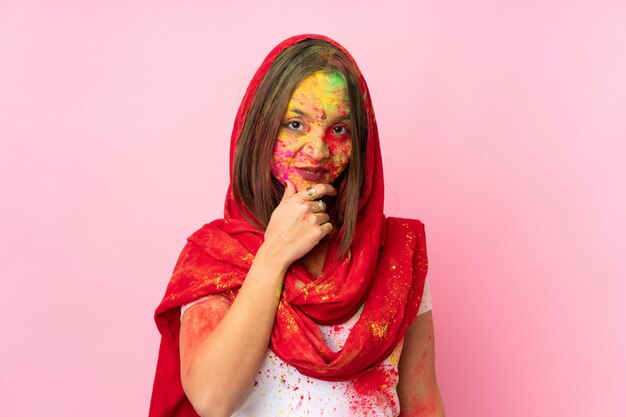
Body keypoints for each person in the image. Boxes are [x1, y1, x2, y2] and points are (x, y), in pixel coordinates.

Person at [149, 34, 445, 417]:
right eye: (295, 124)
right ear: (259, 131)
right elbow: (211, 399)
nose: (319, 149)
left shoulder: (395, 257)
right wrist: (274, 254)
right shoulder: (216, 256)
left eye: (340, 129)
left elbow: (422, 401)